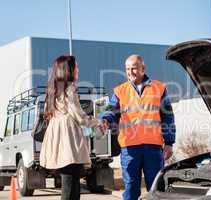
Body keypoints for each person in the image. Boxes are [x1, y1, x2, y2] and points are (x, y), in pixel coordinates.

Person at [100, 54, 176, 200]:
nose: (130, 72)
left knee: (155, 189)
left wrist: (169, 142)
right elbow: (111, 111)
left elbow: (168, 117)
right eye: (127, 69)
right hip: (130, 149)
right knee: (130, 189)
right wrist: (105, 120)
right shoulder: (120, 91)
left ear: (143, 68)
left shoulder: (159, 88)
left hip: (153, 148)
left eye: (134, 68)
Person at [39, 55, 101, 200]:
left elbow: (49, 114)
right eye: (76, 67)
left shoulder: (53, 90)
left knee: (70, 180)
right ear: (68, 70)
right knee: (71, 182)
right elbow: (80, 117)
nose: (78, 69)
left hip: (57, 137)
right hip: (69, 139)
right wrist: (97, 121)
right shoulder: (70, 89)